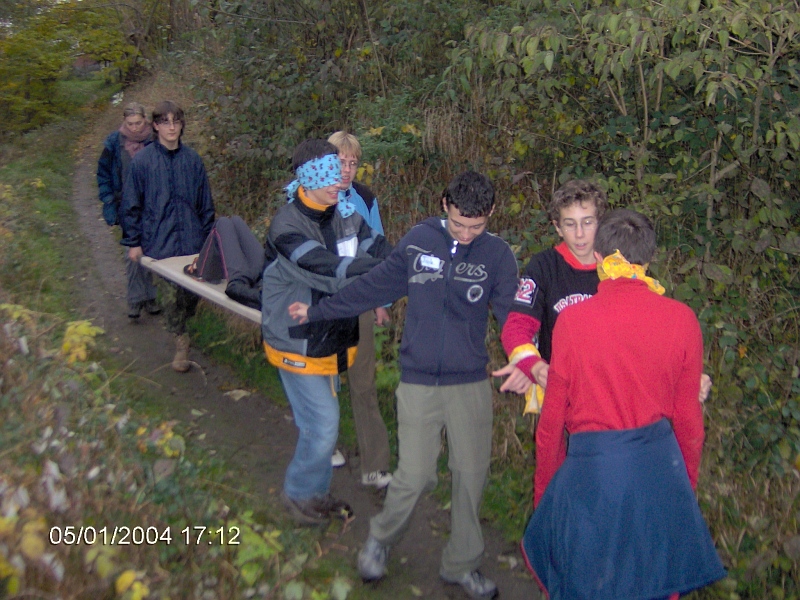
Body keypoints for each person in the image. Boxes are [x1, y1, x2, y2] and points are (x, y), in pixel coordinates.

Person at [289, 171, 518, 600]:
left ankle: (462, 564)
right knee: (414, 476)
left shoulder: (498, 255)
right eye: (458, 224)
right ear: (444, 205)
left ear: (490, 213)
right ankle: (381, 538)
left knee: (471, 477)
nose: (466, 234)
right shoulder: (419, 241)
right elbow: (373, 286)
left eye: (476, 226)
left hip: (469, 383)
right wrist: (319, 311)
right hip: (418, 381)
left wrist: (526, 358)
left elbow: (512, 318)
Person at [520, 209, 726, 599]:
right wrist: (684, 487)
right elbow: (689, 424)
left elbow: (552, 422)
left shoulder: (573, 322)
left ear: (598, 258)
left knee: (587, 581)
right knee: (650, 584)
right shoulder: (682, 319)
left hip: (592, 477)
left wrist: (546, 494)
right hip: (657, 476)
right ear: (650, 259)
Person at [261, 139, 392, 525]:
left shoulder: (346, 214)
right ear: (307, 178)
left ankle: (315, 492)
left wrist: (408, 260)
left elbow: (377, 246)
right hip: (296, 338)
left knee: (319, 424)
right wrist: (385, 272)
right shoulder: (286, 227)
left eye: (342, 172)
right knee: (323, 424)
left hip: (331, 337)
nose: (340, 181)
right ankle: (298, 492)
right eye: (330, 174)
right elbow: (328, 269)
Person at [493, 179, 711, 405]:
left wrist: (688, 375)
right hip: (564, 395)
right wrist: (533, 366)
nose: (579, 234)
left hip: (617, 396)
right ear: (557, 227)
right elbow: (517, 326)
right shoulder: (545, 266)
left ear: (602, 222)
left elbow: (654, 333)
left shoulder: (623, 265)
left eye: (587, 222)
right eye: (569, 224)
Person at [120, 100, 215, 372]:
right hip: (159, 244)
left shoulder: (192, 160)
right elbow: (131, 204)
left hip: (192, 242)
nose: (171, 127)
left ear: (182, 125)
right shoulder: (143, 162)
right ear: (156, 126)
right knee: (171, 297)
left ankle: (185, 324)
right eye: (165, 122)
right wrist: (133, 242)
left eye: (176, 121)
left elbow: (205, 204)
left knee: (191, 295)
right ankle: (181, 341)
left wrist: (209, 240)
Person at [326, 131, 392, 488]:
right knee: (325, 379)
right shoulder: (310, 198)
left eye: (353, 163)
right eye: (341, 161)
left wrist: (380, 301)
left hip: (359, 300)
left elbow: (378, 252)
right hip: (323, 304)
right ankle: (325, 446)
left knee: (363, 382)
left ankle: (375, 465)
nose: (348, 170)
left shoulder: (365, 198)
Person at [96, 101, 159, 319]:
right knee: (132, 252)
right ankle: (135, 300)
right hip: (126, 206)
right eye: (130, 123)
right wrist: (108, 200)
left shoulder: (155, 141)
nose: (134, 128)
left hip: (152, 205)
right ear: (124, 121)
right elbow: (103, 173)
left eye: (138, 123)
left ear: (145, 120)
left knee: (149, 251)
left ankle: (150, 296)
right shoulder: (115, 142)